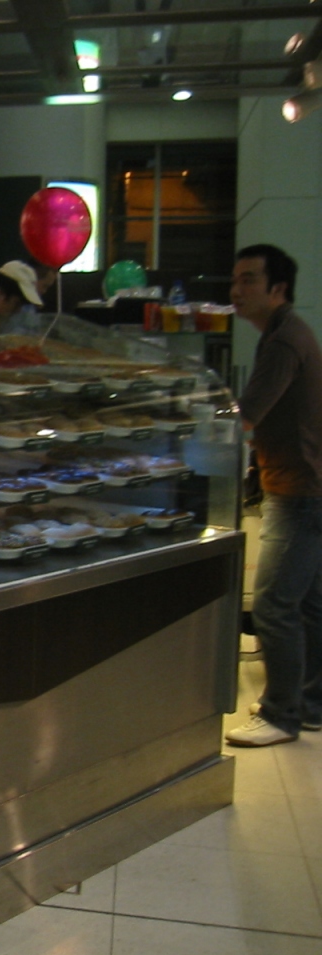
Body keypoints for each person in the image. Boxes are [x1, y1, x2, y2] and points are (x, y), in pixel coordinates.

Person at [223, 243, 322, 748]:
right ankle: (310, 704)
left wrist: (200, 429)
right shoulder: (289, 331)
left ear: (277, 288)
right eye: (235, 279)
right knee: (309, 603)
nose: (236, 290)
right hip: (308, 484)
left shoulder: (283, 340)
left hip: (298, 489)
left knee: (274, 605)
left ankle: (281, 715)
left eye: (248, 280)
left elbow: (248, 413)